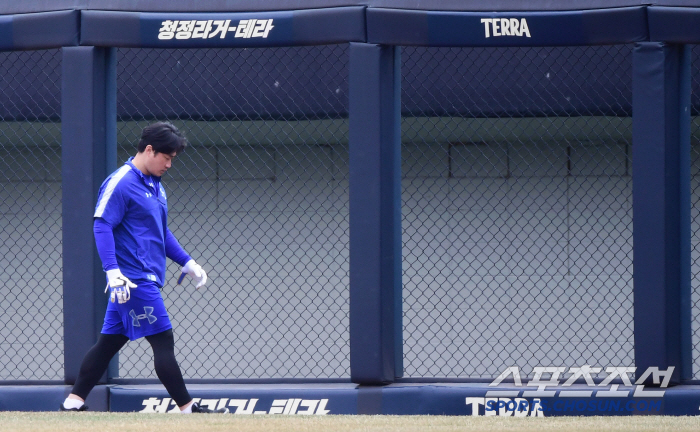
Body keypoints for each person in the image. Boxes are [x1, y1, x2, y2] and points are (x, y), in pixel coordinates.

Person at [61, 122, 225, 414]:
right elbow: (102, 225)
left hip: (139, 280)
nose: (170, 164)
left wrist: (187, 262)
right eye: (167, 157)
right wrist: (113, 271)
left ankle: (72, 403)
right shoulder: (121, 181)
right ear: (149, 150)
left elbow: (161, 233)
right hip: (133, 281)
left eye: (173, 158)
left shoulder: (155, 187)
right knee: (163, 340)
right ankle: (187, 409)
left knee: (107, 345)